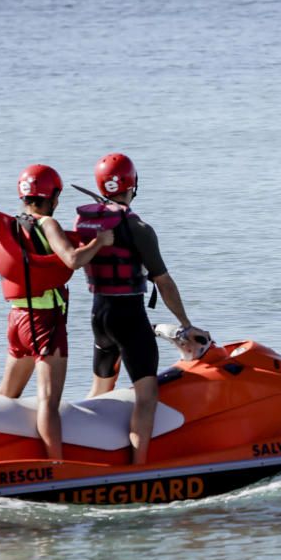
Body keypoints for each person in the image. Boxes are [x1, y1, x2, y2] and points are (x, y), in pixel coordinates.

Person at [80, 153, 209, 465]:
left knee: (100, 389)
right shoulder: (139, 228)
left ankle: (86, 453)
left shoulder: (85, 223)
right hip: (128, 317)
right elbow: (163, 282)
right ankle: (139, 467)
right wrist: (185, 323)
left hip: (99, 316)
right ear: (132, 185)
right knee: (147, 397)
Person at [0, 164, 113, 460]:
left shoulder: (13, 225)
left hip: (17, 318)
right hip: (44, 321)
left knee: (6, 397)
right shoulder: (47, 224)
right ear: (54, 196)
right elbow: (72, 260)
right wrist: (101, 241)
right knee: (48, 401)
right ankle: (56, 466)